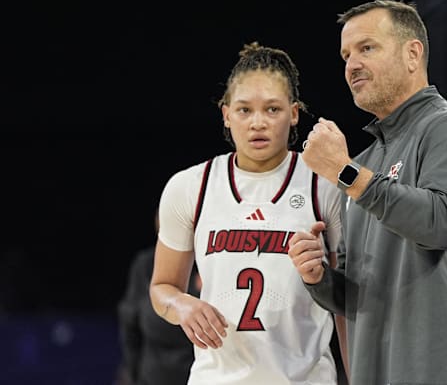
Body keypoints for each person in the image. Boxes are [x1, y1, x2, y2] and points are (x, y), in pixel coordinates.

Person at [288, 0, 447, 384]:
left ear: (412, 53)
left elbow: (440, 224)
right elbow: (358, 293)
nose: (352, 65)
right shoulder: (365, 160)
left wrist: (344, 171)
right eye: (346, 55)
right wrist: (317, 277)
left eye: (367, 48)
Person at [148, 41, 346, 384]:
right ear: (226, 114)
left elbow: (349, 302)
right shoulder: (190, 187)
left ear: (294, 112)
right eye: (244, 110)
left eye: (272, 109)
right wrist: (182, 306)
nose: (258, 123)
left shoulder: (324, 186)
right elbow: (162, 287)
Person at [117, 209, 202, 385]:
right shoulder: (146, 265)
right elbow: (130, 323)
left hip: (202, 373)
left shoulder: (209, 265)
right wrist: (134, 375)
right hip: (154, 376)